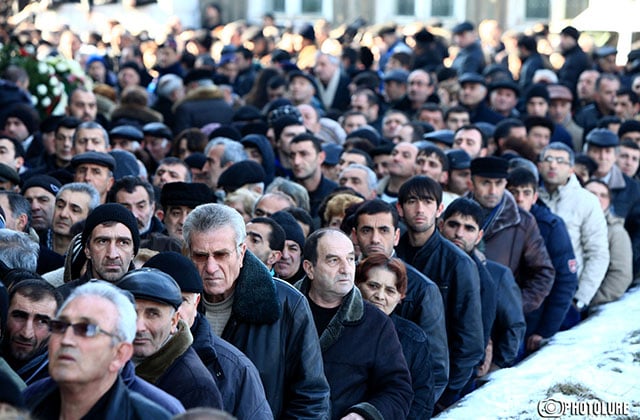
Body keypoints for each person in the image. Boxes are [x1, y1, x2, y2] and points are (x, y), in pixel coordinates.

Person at [183, 203, 330, 418]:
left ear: (241, 252)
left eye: (221, 255)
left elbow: (311, 397)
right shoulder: (172, 302)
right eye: (201, 256)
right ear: (188, 254)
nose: (211, 267)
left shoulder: (287, 303)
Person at [297, 228, 413, 419]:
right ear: (310, 268)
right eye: (333, 260)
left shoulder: (376, 324)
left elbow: (398, 390)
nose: (345, 269)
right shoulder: (282, 310)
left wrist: (362, 415)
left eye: (350, 259)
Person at [144, 252, 273, 419]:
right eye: (160, 302)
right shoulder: (117, 355)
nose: (174, 311)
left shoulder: (235, 368)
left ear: (196, 303)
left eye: (182, 300)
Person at [394, 176, 484, 410]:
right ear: (400, 208)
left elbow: (470, 337)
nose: (420, 208)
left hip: (442, 387)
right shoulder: (393, 255)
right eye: (412, 201)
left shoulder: (458, 263)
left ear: (439, 209)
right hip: (397, 376)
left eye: (427, 201)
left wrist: (445, 394)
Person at [25, 281, 172, 419]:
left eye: (86, 329)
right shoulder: (26, 403)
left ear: (119, 354)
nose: (66, 340)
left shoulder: (151, 416)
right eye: (59, 326)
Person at [350, 199, 449, 401]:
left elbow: (435, 371)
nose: (375, 239)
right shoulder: (342, 278)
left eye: (384, 230)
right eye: (367, 230)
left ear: (396, 236)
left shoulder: (422, 288)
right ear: (355, 235)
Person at [117, 268, 223, 410]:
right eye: (132, 313)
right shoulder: (102, 363)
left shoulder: (196, 387)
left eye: (152, 314)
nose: (139, 326)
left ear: (174, 321)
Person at [438, 198, 526, 370]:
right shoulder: (427, 266)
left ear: (479, 236)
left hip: (472, 371)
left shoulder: (496, 275)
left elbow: (514, 326)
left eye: (468, 228)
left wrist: (495, 367)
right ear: (441, 225)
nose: (459, 234)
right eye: (453, 225)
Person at [468, 157, 555, 314]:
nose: (493, 191)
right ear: (471, 182)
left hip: (501, 322)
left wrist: (512, 308)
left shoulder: (523, 221)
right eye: (485, 183)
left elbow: (543, 273)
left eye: (499, 183)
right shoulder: (454, 214)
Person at [506, 167, 578, 355]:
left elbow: (565, 281)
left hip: (533, 319)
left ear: (535, 196)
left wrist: (545, 330)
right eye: (514, 192)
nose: (519, 198)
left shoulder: (551, 226)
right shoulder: (495, 222)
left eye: (526, 193)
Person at [537, 142, 609, 327]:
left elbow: (598, 254)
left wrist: (580, 299)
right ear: (539, 165)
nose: (553, 165)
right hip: (534, 291)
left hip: (567, 295)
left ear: (571, 169)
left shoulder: (586, 201)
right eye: (549, 159)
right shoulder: (530, 196)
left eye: (561, 161)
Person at [355, 253, 435, 419]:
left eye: (390, 291)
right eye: (373, 286)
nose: (380, 296)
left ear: (401, 297)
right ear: (357, 284)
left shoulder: (413, 339)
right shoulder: (340, 326)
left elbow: (421, 400)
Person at [4, 279, 62, 385]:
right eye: (19, 316)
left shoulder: (59, 381)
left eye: (42, 321)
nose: (27, 333)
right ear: (4, 315)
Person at [584, 180, 633, 306]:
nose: (597, 198)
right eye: (592, 193)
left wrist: (588, 301)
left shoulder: (616, 232)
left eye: (603, 195)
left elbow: (621, 275)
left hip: (589, 305)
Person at [585, 128, 640, 218]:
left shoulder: (632, 188)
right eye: (596, 151)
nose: (603, 157)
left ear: (615, 156)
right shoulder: (575, 181)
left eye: (608, 152)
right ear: (587, 153)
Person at [49, 182, 100, 256]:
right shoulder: (35, 243)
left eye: (75, 210)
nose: (63, 214)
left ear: (89, 216)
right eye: (60, 206)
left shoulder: (91, 254)